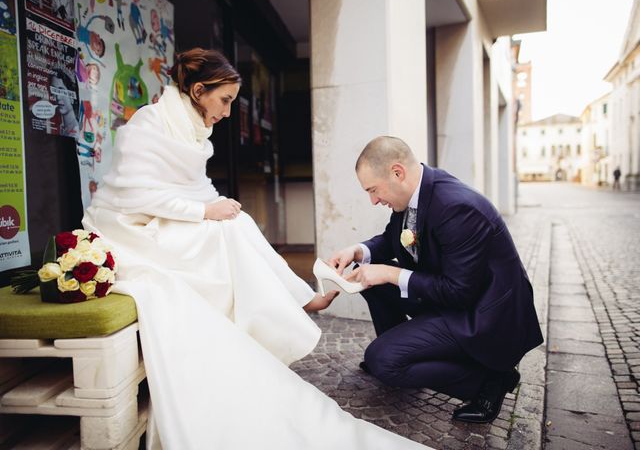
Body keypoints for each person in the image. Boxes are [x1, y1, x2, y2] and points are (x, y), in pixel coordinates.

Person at [82, 49, 428, 449]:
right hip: (128, 230)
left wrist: (218, 207)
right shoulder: (148, 125)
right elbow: (136, 195)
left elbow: (195, 188)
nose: (228, 113)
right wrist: (205, 211)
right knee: (221, 235)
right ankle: (290, 306)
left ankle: (298, 299)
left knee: (236, 224)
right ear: (198, 90)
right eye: (225, 100)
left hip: (162, 220)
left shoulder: (193, 129)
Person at [329, 136, 543, 424]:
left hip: (482, 316)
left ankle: (490, 381)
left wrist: (390, 273)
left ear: (397, 173)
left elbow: (458, 293)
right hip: (453, 299)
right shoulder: (414, 193)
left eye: (373, 190)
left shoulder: (457, 208)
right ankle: (402, 352)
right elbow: (393, 240)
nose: (374, 200)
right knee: (370, 274)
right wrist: (357, 250)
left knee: (383, 359)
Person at [50, 69, 79, 138]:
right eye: (54, 91)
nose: (58, 97)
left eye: (61, 91)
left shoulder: (75, 132)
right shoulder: (62, 128)